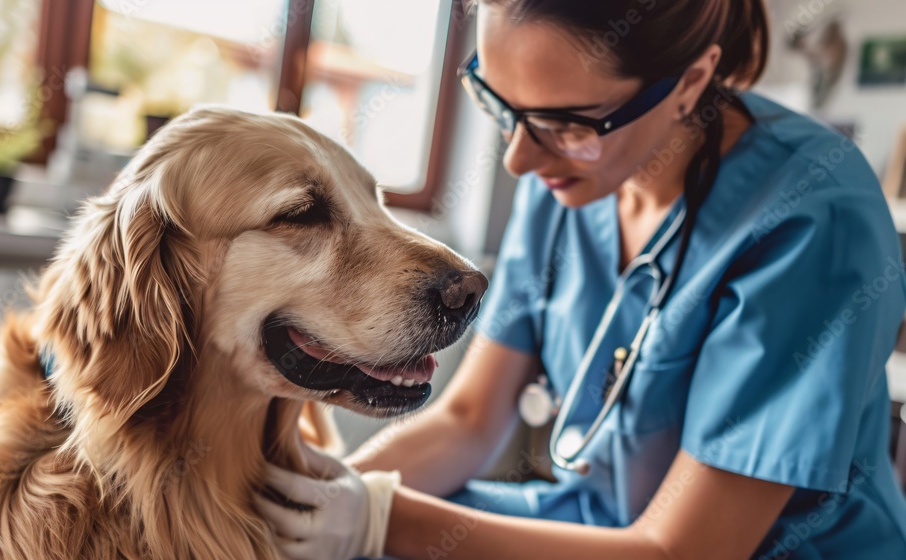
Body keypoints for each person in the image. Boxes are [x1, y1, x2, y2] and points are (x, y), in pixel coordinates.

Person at [255, 0, 906, 558]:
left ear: (693, 80)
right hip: (594, 527)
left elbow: (685, 549)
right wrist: (320, 500)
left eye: (565, 123)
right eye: (500, 103)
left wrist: (375, 518)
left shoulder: (814, 217)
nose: (519, 157)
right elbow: (470, 419)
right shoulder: (568, 173)